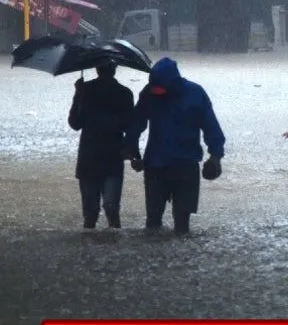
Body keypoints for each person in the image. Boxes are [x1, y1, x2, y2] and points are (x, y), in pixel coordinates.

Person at [124, 58, 225, 235]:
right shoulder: (149, 94)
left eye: (160, 89)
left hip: (184, 166)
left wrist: (215, 156)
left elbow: (211, 127)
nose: (158, 92)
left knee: (182, 224)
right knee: (153, 222)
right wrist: (133, 152)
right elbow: (136, 124)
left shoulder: (195, 93)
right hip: (157, 166)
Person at [68, 63, 135, 229]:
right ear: (115, 69)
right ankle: (114, 247)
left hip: (89, 157)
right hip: (111, 157)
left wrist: (78, 94)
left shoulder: (86, 91)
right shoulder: (124, 93)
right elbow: (129, 125)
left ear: (97, 69)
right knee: (111, 209)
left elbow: (75, 123)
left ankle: (89, 249)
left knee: (91, 213)